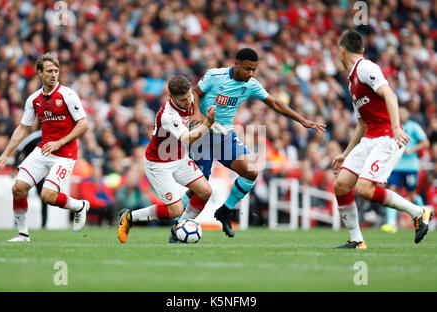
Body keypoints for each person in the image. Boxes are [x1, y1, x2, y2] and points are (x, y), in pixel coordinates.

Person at [184, 47, 326, 238]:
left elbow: (275, 103)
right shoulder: (215, 75)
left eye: (253, 70)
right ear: (236, 64)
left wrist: (302, 120)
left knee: (251, 171)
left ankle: (225, 211)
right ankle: (177, 223)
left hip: (225, 134)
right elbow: (195, 92)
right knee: (199, 188)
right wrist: (197, 113)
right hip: (202, 134)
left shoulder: (251, 84)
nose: (250, 73)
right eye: (247, 69)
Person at [331, 29, 433, 249]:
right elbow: (361, 124)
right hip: (369, 138)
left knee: (364, 189)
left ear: (342, 50)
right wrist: (345, 154)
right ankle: (357, 240)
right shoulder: (352, 83)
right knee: (341, 185)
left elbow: (390, 94)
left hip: (387, 137)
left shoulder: (366, 67)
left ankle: (418, 212)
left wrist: (396, 128)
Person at [0, 53, 90, 242]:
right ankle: (22, 234)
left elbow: (83, 124)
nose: (54, 74)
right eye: (49, 71)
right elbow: (23, 128)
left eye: (56, 71)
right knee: (18, 188)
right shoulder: (34, 99)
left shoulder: (68, 95)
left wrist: (60, 142)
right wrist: (5, 153)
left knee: (47, 195)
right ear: (39, 73)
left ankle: (79, 206)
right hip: (43, 150)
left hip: (64, 154)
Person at [117, 75, 223, 244]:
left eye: (189, 96)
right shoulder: (168, 115)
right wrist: (208, 124)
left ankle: (178, 229)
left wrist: (206, 121)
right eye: (183, 100)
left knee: (205, 191)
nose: (188, 102)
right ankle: (129, 217)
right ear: (171, 97)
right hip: (158, 164)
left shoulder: (190, 99)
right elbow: (188, 138)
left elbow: (197, 106)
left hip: (179, 158)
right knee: (175, 210)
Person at [381, 105, 430, 233]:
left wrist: (411, 150)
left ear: (408, 113)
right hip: (395, 166)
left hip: (410, 167)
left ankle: (424, 216)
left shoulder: (413, 127)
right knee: (391, 190)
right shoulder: (393, 127)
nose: (402, 114)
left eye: (404, 111)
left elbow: (426, 143)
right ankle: (391, 223)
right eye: (399, 112)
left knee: (411, 194)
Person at [12, 130, 49, 228]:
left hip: (40, 172)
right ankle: (18, 222)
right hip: (27, 171)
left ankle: (44, 224)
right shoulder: (35, 136)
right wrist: (15, 166)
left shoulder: (52, 138)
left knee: (44, 196)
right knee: (22, 196)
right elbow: (20, 149)